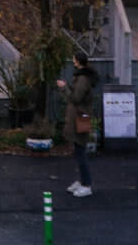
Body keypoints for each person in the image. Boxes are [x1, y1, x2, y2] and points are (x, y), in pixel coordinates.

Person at [58, 50, 100, 198]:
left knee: (81, 152)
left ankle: (86, 184)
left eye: (74, 59)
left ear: (77, 61)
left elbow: (76, 98)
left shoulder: (82, 79)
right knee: (78, 150)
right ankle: (82, 181)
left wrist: (64, 87)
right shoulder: (83, 77)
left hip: (81, 117)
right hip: (81, 115)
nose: (73, 61)